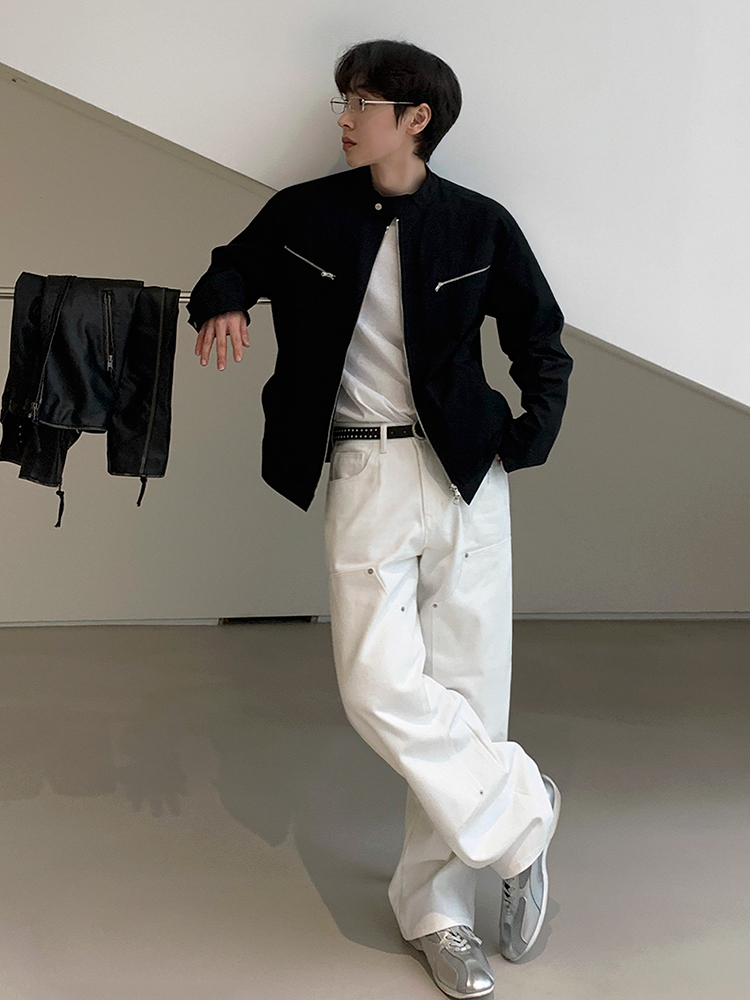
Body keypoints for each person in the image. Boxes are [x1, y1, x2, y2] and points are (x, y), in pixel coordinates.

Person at [187, 38, 572, 1000]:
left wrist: (528, 435)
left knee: (470, 692)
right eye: (344, 100)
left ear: (417, 119)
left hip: (466, 477)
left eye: (361, 102)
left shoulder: (478, 224)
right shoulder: (307, 212)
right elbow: (230, 266)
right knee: (374, 683)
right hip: (366, 467)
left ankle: (438, 914)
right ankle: (523, 816)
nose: (345, 118)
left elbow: (540, 336)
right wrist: (222, 305)